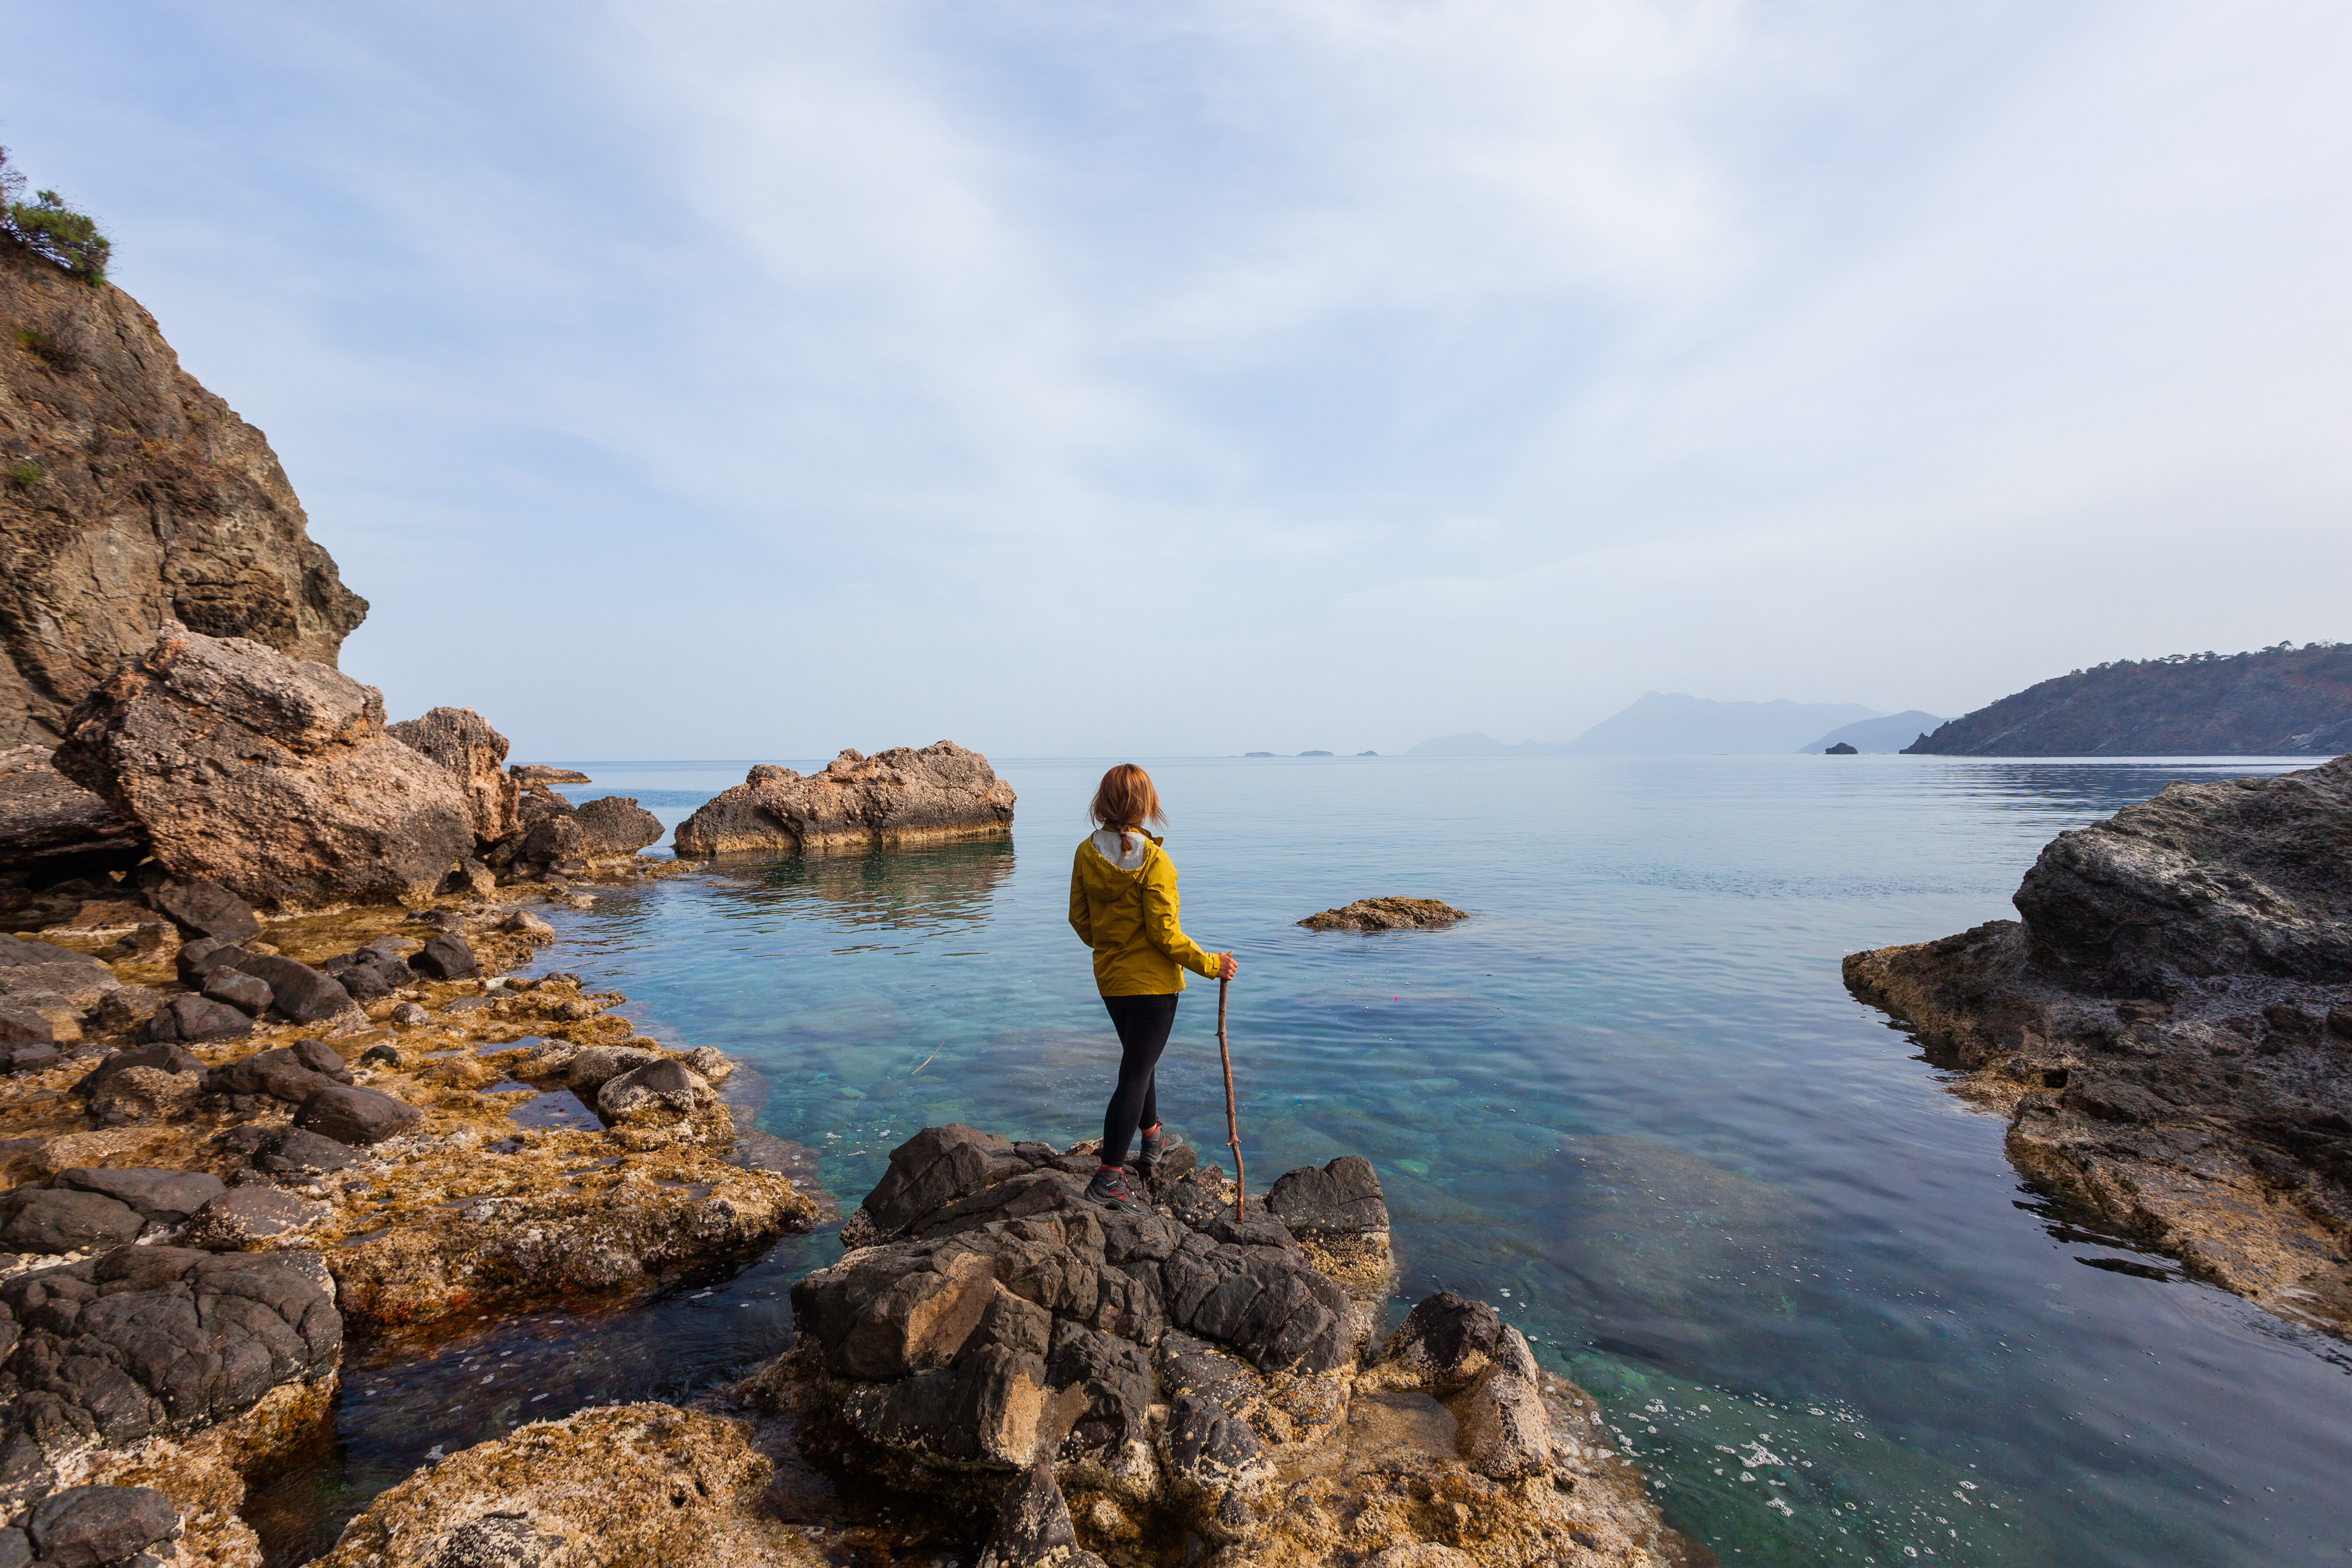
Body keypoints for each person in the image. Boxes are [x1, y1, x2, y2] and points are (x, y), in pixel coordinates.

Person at [1067, 763, 1236, 1213]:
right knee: (1135, 1072)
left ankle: (1152, 1136)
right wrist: (1210, 965)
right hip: (1154, 988)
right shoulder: (1156, 861)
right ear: (1146, 806)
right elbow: (1164, 934)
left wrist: (1112, 947)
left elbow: (1079, 921)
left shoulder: (1086, 853)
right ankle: (1108, 1178)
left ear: (1101, 803)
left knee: (1140, 1061)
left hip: (1111, 980)